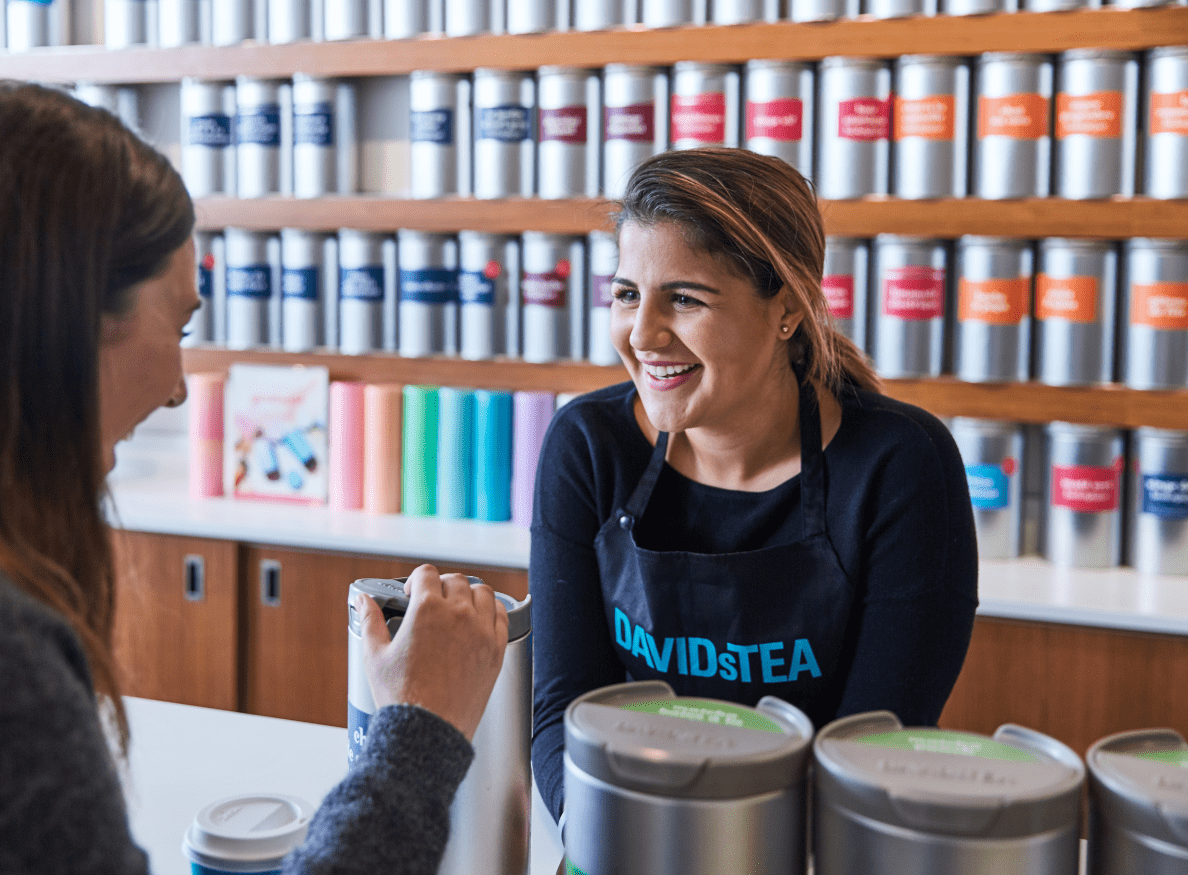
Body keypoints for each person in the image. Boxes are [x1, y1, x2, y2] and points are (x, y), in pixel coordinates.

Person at [0, 81, 508, 875]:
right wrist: (420, 726)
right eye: (180, 325)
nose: (178, 385)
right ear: (68, 317)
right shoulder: (14, 661)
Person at [531, 147, 979, 822]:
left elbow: (870, 751)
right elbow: (564, 713)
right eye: (627, 294)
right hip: (627, 834)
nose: (643, 334)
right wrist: (603, 841)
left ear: (788, 310)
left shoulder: (899, 467)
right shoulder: (590, 448)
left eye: (684, 298)